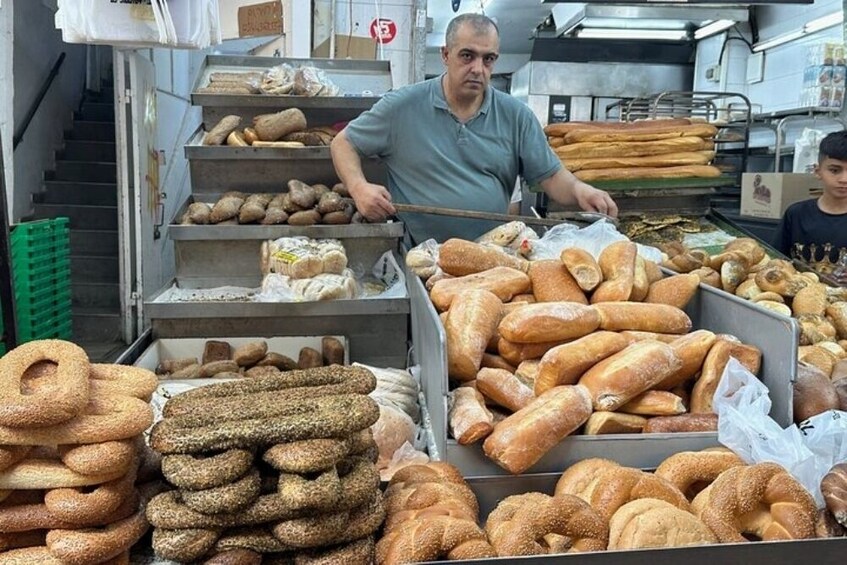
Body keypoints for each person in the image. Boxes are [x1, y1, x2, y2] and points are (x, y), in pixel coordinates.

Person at [330, 13, 618, 244]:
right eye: (467, 56)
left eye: (488, 58)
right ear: (445, 55)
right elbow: (344, 143)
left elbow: (551, 176)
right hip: (420, 262)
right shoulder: (402, 107)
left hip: (492, 259)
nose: (478, 68)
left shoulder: (516, 116)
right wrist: (358, 187)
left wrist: (580, 190)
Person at [772, 130, 847, 285]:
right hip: (796, 301)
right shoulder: (796, 215)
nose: (844, 179)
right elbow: (775, 263)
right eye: (834, 170)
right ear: (817, 171)